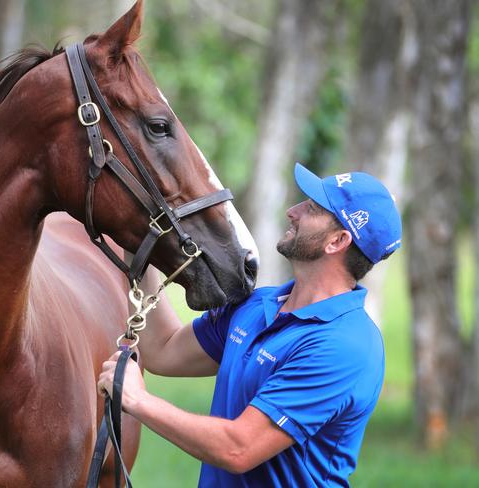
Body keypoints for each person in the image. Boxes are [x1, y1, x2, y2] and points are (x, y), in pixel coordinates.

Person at [98, 162, 402, 487]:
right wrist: (136, 238)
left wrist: (137, 400)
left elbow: (239, 448)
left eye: (311, 208)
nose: (293, 211)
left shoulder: (345, 347)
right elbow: (163, 349)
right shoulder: (258, 305)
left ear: (337, 241)